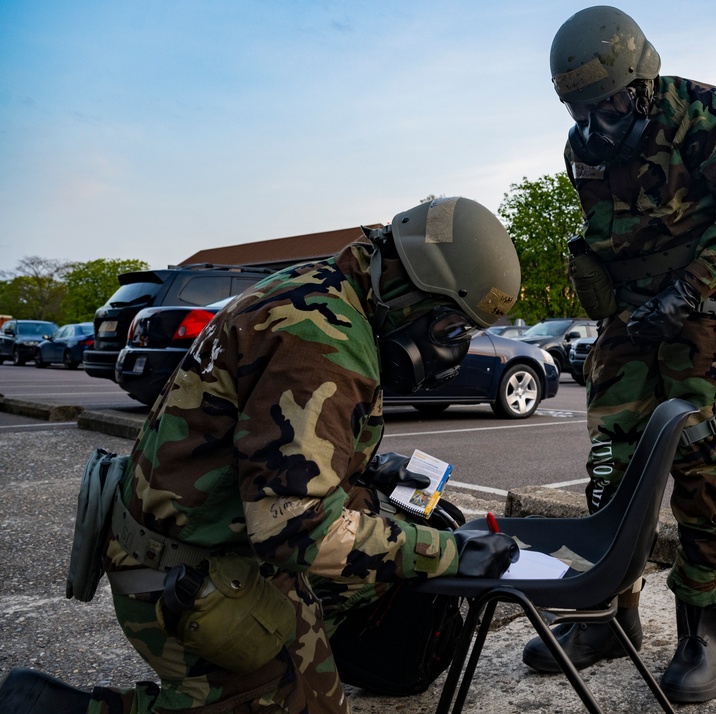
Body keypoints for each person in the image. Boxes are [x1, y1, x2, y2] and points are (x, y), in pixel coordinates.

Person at [0, 196, 521, 714]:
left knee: (374, 575)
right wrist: (450, 552)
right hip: (181, 572)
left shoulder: (328, 288)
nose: (452, 350)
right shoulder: (323, 339)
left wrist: (362, 470)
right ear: (411, 291)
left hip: (206, 536)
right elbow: (296, 530)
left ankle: (290, 658)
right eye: (450, 330)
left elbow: (269, 439)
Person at [520, 6, 716, 704]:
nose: (593, 121)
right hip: (627, 326)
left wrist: (684, 290)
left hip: (701, 319)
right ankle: (607, 618)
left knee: (704, 465)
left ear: (637, 80)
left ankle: (703, 627)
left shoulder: (703, 112)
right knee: (609, 463)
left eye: (603, 104)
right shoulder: (584, 148)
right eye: (578, 108)